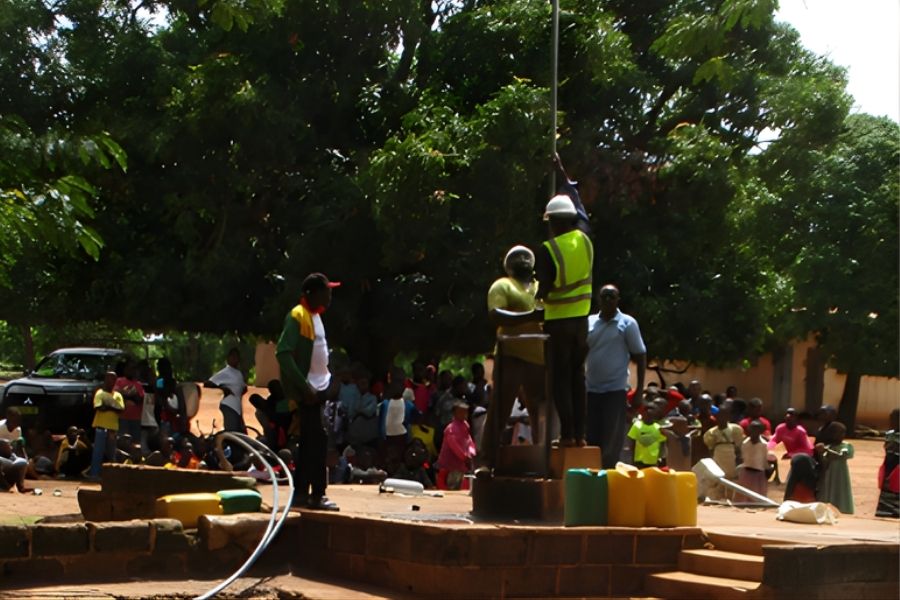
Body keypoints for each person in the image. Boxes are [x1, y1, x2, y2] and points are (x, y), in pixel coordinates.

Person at [535, 169, 593, 447]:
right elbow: (582, 210)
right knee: (577, 380)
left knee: (560, 381)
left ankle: (567, 434)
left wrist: (537, 296)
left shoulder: (548, 249)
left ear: (553, 222)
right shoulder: (585, 240)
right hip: (582, 323)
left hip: (557, 322)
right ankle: (580, 435)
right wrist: (562, 174)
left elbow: (544, 289)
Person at [276, 272, 341, 511]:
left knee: (310, 442)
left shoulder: (315, 316)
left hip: (319, 389)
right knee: (318, 441)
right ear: (312, 293)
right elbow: (283, 353)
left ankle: (302, 494)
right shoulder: (297, 316)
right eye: (327, 291)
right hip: (309, 392)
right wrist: (304, 387)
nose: (330, 295)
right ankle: (317, 495)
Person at [480, 245, 545, 472]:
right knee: (500, 408)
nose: (522, 260)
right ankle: (487, 462)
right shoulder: (503, 285)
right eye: (516, 258)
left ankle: (544, 460)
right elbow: (495, 314)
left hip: (539, 358)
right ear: (508, 266)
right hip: (511, 355)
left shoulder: (542, 287)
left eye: (526, 257)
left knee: (540, 411)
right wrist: (531, 315)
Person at [585, 284, 647, 469]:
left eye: (612, 297)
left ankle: (608, 477)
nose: (608, 300)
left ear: (618, 300)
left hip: (615, 390)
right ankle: (591, 480)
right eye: (604, 296)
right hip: (591, 390)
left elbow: (641, 356)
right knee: (590, 438)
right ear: (598, 299)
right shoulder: (589, 322)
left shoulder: (628, 323)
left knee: (611, 441)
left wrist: (639, 391)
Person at [88, 371, 125, 479]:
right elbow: (99, 407)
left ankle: (111, 477)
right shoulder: (100, 393)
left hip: (112, 428)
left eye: (113, 379)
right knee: (98, 452)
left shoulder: (118, 395)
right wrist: (113, 407)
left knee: (111, 453)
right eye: (109, 379)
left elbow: (121, 409)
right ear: (105, 380)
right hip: (101, 427)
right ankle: (94, 475)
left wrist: (108, 405)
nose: (111, 381)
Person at [205, 348, 247, 433]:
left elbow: (243, 388)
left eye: (237, 357)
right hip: (229, 405)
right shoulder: (226, 372)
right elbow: (208, 383)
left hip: (237, 406)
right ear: (228, 358)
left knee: (240, 433)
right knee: (232, 432)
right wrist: (223, 389)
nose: (235, 359)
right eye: (233, 357)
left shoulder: (238, 373)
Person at [436, 400, 476, 490]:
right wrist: (464, 457)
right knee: (452, 486)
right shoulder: (451, 428)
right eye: (461, 412)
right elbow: (454, 445)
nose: (464, 414)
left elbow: (468, 440)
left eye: (466, 412)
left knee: (459, 484)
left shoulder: (465, 425)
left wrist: (472, 453)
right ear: (454, 413)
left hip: (461, 463)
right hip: (451, 463)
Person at [816, 422, 854, 514]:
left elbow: (842, 455)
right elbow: (824, 460)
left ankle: (843, 509)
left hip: (840, 473)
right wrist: (820, 452)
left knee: (840, 489)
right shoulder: (829, 446)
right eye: (838, 433)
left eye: (843, 433)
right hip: (829, 472)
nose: (842, 435)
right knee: (829, 489)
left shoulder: (846, 446)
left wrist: (826, 450)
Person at [702, 400, 744, 480]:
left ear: (729, 417)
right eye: (720, 415)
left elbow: (738, 448)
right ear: (716, 417)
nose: (722, 418)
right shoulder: (711, 433)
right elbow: (710, 449)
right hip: (718, 459)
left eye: (725, 415)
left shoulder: (736, 430)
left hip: (731, 460)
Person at [626, 402, 666, 469]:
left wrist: (661, 458)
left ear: (655, 415)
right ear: (643, 414)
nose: (648, 415)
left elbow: (662, 444)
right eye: (647, 413)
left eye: (651, 415)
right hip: (639, 460)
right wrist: (632, 460)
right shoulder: (636, 425)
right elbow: (632, 443)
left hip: (653, 461)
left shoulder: (659, 428)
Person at [737, 420, 769, 500]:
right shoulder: (745, 443)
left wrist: (767, 471)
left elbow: (765, 460)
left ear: (761, 431)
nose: (754, 432)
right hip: (746, 473)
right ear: (749, 430)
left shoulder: (764, 445)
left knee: (758, 497)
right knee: (744, 497)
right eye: (753, 429)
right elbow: (743, 458)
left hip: (759, 474)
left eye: (757, 430)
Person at [114, 359, 145, 443]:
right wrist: (128, 394)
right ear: (125, 369)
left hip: (136, 419)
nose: (132, 370)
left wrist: (131, 395)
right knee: (122, 441)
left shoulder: (138, 384)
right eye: (129, 368)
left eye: (134, 368)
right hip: (122, 417)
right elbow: (116, 394)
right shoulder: (119, 381)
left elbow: (140, 399)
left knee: (136, 443)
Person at [876, 409, 899, 518]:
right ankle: (885, 510)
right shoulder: (889, 434)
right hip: (889, 462)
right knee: (887, 485)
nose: (892, 422)